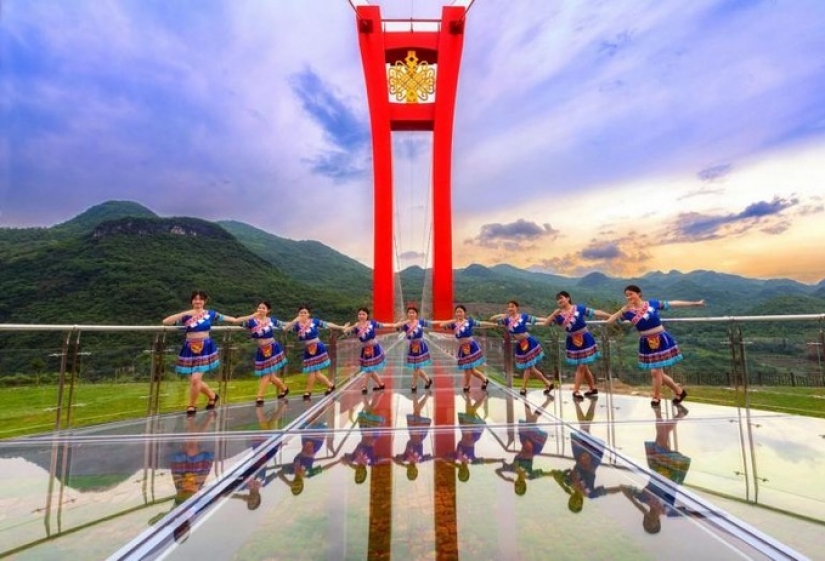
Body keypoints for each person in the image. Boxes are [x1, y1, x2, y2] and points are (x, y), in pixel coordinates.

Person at [606, 285, 705, 407]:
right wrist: (622, 310)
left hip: (661, 339)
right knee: (658, 373)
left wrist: (694, 304)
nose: (629, 297)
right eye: (627, 295)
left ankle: (656, 397)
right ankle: (679, 391)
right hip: (647, 343)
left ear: (639, 293)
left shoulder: (652, 304)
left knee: (655, 372)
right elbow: (610, 321)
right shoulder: (627, 312)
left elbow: (672, 303)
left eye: (631, 294)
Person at [163, 290, 237, 415]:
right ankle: (213, 396)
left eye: (200, 299)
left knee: (195, 379)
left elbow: (232, 320)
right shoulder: (186, 316)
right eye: (195, 299)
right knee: (194, 380)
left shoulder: (211, 314)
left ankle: (191, 405)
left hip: (205, 348)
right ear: (192, 301)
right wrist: (184, 313)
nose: (198, 301)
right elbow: (166, 322)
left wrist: (252, 319)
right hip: (189, 348)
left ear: (204, 301)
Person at [621, 403, 691, 533]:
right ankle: (658, 411)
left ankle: (680, 414)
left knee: (662, 436)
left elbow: (623, 488)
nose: (649, 520)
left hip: (657, 467)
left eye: (646, 522)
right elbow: (691, 513)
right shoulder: (667, 511)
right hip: (671, 471)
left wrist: (637, 505)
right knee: (660, 439)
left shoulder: (643, 499)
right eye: (651, 523)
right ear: (658, 521)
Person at [551, 395, 621, 512]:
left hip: (579, 455)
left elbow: (555, 474)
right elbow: (607, 491)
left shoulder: (568, 484)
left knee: (584, 428)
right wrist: (622, 489)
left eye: (572, 503)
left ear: (570, 500)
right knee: (584, 428)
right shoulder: (590, 494)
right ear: (581, 504)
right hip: (592, 459)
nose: (575, 502)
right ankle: (581, 403)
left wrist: (564, 487)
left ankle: (590, 402)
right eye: (577, 505)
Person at [545, 291, 611, 400]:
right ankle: (592, 388)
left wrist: (611, 316)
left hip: (585, 338)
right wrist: (553, 314)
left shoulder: (578, 308)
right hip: (572, 340)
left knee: (582, 366)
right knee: (583, 366)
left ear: (568, 298)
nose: (559, 300)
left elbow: (595, 312)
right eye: (557, 299)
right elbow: (546, 323)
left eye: (561, 298)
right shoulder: (559, 315)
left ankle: (575, 391)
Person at [283, 305, 349, 400]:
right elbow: (286, 328)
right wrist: (295, 320)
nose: (303, 314)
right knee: (316, 373)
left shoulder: (314, 321)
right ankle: (330, 385)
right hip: (308, 349)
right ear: (298, 314)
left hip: (317, 346)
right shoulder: (297, 325)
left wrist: (341, 327)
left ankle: (308, 391)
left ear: (309, 314)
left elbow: (328, 324)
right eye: (301, 312)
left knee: (312, 371)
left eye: (305, 312)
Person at [491, 300, 554, 396]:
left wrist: (548, 320)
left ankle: (524, 388)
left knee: (529, 367)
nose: (510, 308)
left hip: (529, 342)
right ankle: (548, 384)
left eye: (512, 306)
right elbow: (492, 319)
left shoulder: (523, 316)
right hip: (521, 345)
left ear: (517, 308)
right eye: (509, 306)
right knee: (531, 368)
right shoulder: (507, 320)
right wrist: (501, 315)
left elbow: (536, 319)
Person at [233, 300, 289, 406]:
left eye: (263, 308)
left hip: (273, 348)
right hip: (262, 349)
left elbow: (285, 326)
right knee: (271, 376)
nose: (261, 310)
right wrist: (252, 315)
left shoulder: (272, 320)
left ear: (268, 310)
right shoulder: (251, 321)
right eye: (259, 307)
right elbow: (237, 321)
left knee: (267, 374)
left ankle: (259, 396)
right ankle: (284, 388)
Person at [495, 395, 554, 495]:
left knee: (531, 418)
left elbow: (497, 471)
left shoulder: (513, 469)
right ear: (524, 485)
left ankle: (544, 400)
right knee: (532, 419)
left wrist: (506, 478)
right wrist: (555, 475)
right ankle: (529, 398)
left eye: (516, 486)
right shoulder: (530, 475)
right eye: (520, 486)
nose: (518, 484)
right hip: (534, 444)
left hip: (525, 441)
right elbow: (546, 473)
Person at [437, 305, 498, 392]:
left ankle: (467, 385)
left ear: (464, 313)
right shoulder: (454, 324)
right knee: (472, 370)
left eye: (460, 312)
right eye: (457, 312)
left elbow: (481, 323)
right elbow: (441, 324)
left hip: (471, 347)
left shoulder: (469, 322)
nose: (459, 313)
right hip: (462, 348)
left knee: (467, 368)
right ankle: (485, 380)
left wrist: (493, 324)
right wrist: (454, 320)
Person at [341, 307, 387, 394]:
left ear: (367, 315)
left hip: (374, 348)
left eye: (363, 314)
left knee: (369, 368)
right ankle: (381, 384)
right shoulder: (356, 326)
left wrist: (396, 325)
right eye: (360, 314)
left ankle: (364, 386)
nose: (361, 316)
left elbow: (385, 325)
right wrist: (345, 327)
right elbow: (346, 331)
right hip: (365, 349)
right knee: (370, 368)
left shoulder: (372, 323)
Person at [393, 391, 434, 481]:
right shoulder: (420, 459)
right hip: (419, 434)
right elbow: (433, 457)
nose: (411, 471)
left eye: (410, 472)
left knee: (416, 412)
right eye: (413, 472)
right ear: (416, 470)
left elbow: (394, 459)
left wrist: (404, 466)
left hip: (413, 433)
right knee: (416, 412)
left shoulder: (405, 458)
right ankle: (423, 395)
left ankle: (416, 394)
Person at [395, 305, 434, 392]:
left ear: (416, 314)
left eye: (413, 312)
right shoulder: (405, 324)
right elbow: (396, 328)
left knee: (416, 367)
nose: (411, 314)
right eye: (409, 312)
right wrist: (401, 321)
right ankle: (428, 380)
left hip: (421, 346)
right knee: (417, 367)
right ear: (407, 314)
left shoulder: (421, 322)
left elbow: (432, 324)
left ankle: (414, 385)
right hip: (412, 347)